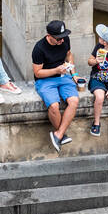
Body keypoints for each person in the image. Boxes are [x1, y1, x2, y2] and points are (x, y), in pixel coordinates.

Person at [32, 20, 78, 152]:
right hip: (45, 80)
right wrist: (56, 70)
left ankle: (58, 134)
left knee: (74, 101)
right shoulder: (39, 48)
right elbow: (37, 73)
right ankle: (61, 134)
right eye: (58, 39)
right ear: (49, 36)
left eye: (63, 37)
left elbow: (69, 55)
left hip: (63, 77)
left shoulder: (65, 39)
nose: (62, 41)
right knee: (54, 106)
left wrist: (74, 73)